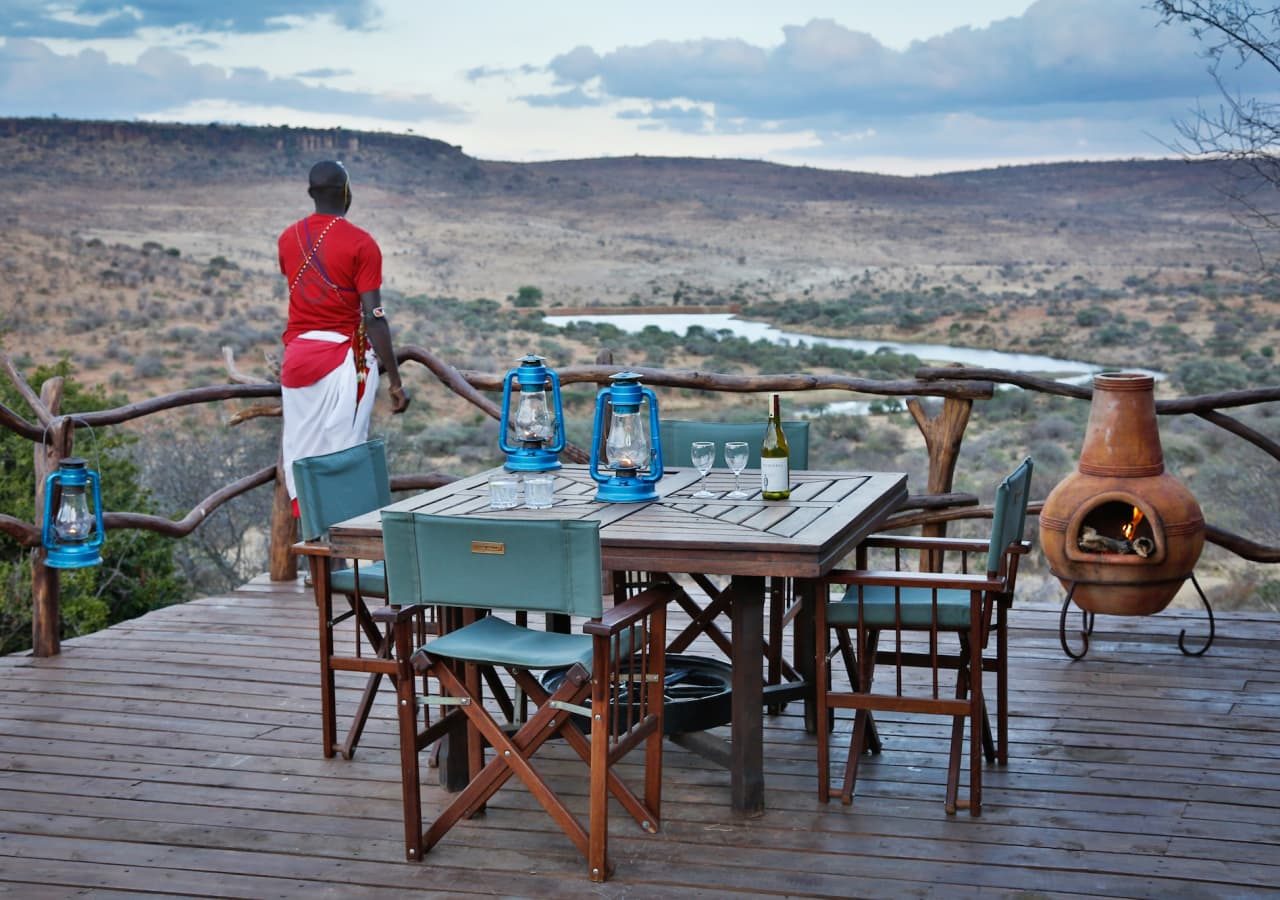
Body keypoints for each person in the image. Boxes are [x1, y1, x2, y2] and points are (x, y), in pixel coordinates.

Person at [277, 160, 410, 515]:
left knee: (301, 450)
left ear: (311, 193)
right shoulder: (361, 243)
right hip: (343, 359)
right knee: (345, 450)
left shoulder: (288, 238)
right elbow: (374, 318)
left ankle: (313, 540)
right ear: (347, 192)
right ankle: (344, 535)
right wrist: (396, 382)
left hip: (296, 360)